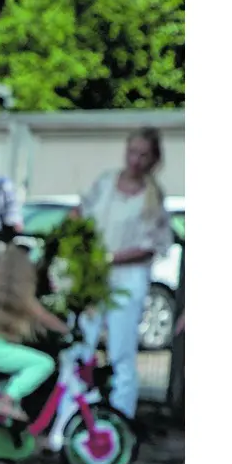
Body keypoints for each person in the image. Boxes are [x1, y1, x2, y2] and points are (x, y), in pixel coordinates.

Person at [72, 127, 174, 420]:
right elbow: (81, 212)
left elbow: (152, 245)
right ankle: (72, 413)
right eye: (132, 152)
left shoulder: (152, 197)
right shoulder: (106, 183)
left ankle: (119, 418)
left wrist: (112, 258)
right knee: (81, 345)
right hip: (93, 275)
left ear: (153, 160)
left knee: (121, 350)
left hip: (128, 277)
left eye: (143, 155)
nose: (135, 160)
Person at [0, 244, 74, 421]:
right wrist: (67, 329)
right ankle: (6, 401)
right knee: (43, 364)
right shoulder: (20, 294)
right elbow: (42, 316)